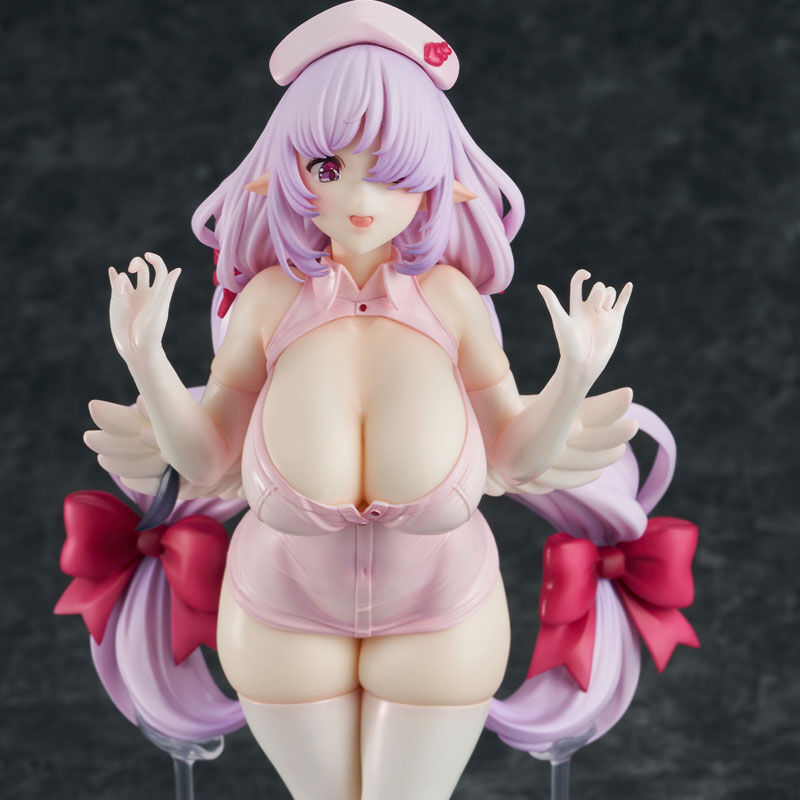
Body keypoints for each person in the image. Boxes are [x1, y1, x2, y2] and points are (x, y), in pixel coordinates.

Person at [84, 3, 647, 798]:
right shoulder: (270, 301)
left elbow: (516, 459)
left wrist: (574, 375)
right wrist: (145, 360)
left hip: (443, 608)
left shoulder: (449, 301)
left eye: (393, 172)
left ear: (441, 181)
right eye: (328, 167)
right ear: (282, 172)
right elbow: (207, 464)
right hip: (278, 608)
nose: (360, 196)